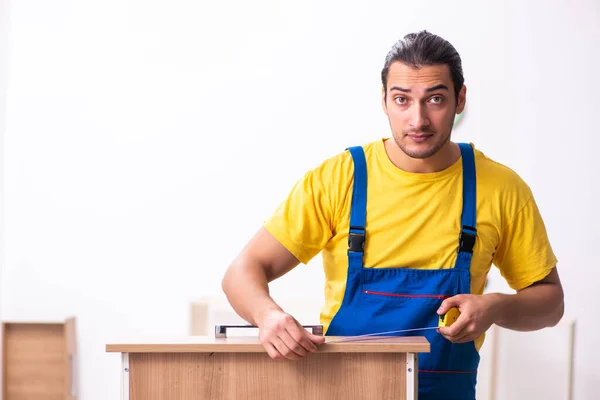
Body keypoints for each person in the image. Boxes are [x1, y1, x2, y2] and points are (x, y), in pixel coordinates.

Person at [221, 30, 564, 400]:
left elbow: (550, 302)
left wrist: (495, 307)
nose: (418, 119)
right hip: (341, 390)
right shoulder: (340, 179)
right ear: (384, 101)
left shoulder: (500, 188)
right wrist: (268, 316)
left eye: (435, 99)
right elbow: (242, 272)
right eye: (402, 100)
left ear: (460, 99)